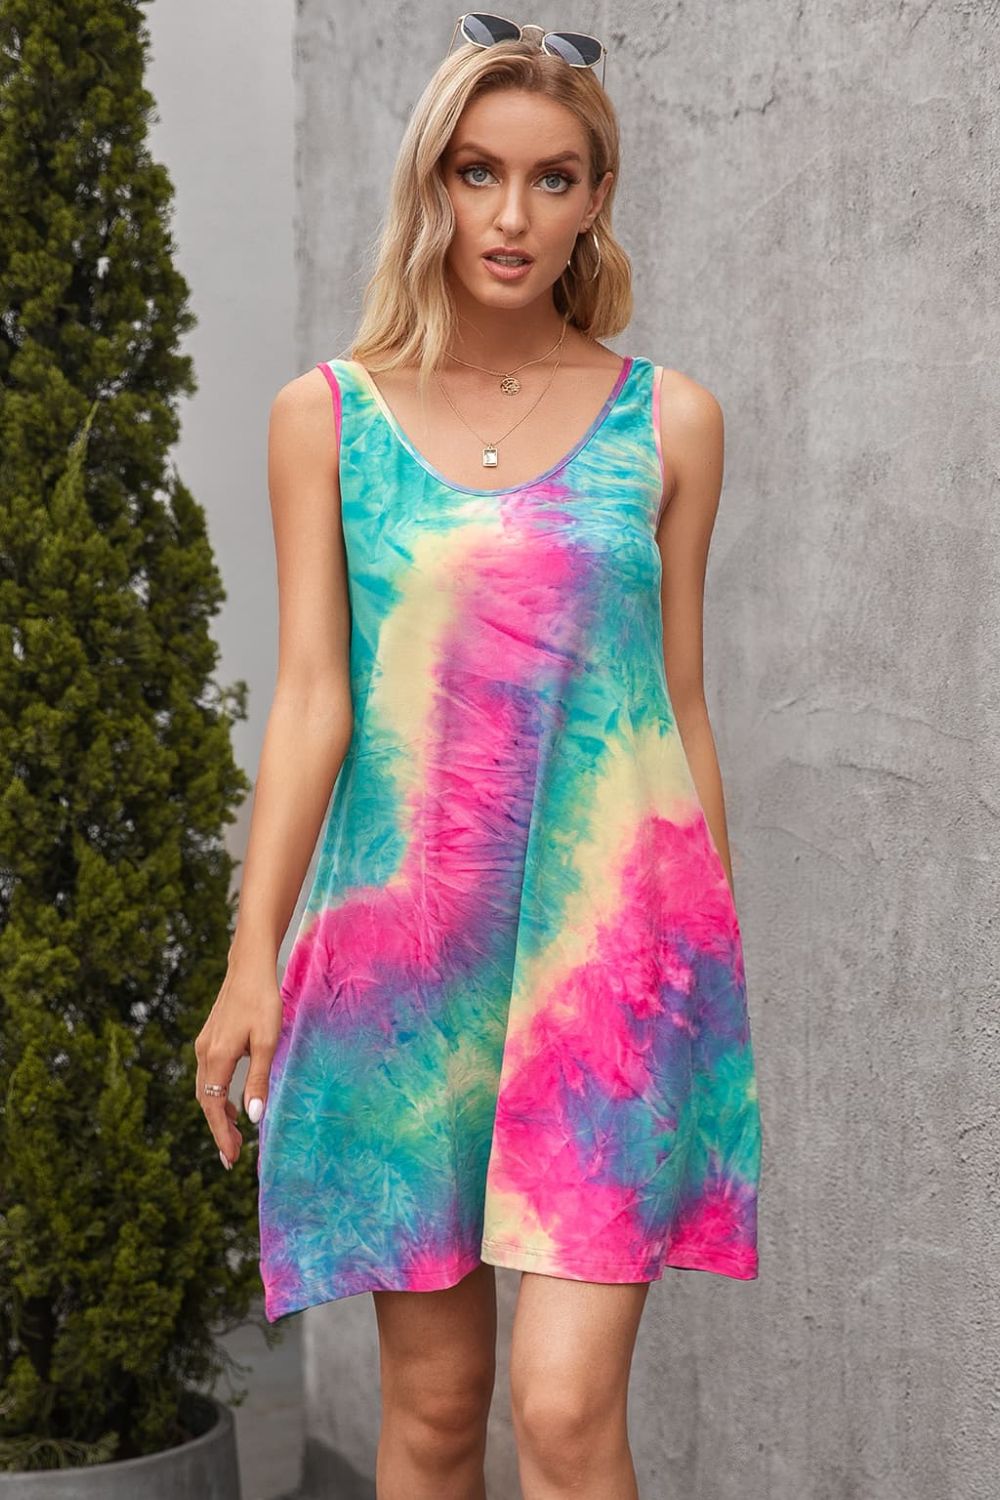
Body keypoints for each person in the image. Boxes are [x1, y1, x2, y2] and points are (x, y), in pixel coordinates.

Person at [195, 17, 762, 1500]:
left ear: (597, 198)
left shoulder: (672, 422)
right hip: (405, 965)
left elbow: (679, 703)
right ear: (432, 184)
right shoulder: (327, 418)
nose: (511, 216)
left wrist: (709, 961)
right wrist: (253, 959)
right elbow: (312, 698)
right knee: (437, 1417)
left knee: (564, 1416)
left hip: (612, 965)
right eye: (477, 172)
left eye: (551, 178)